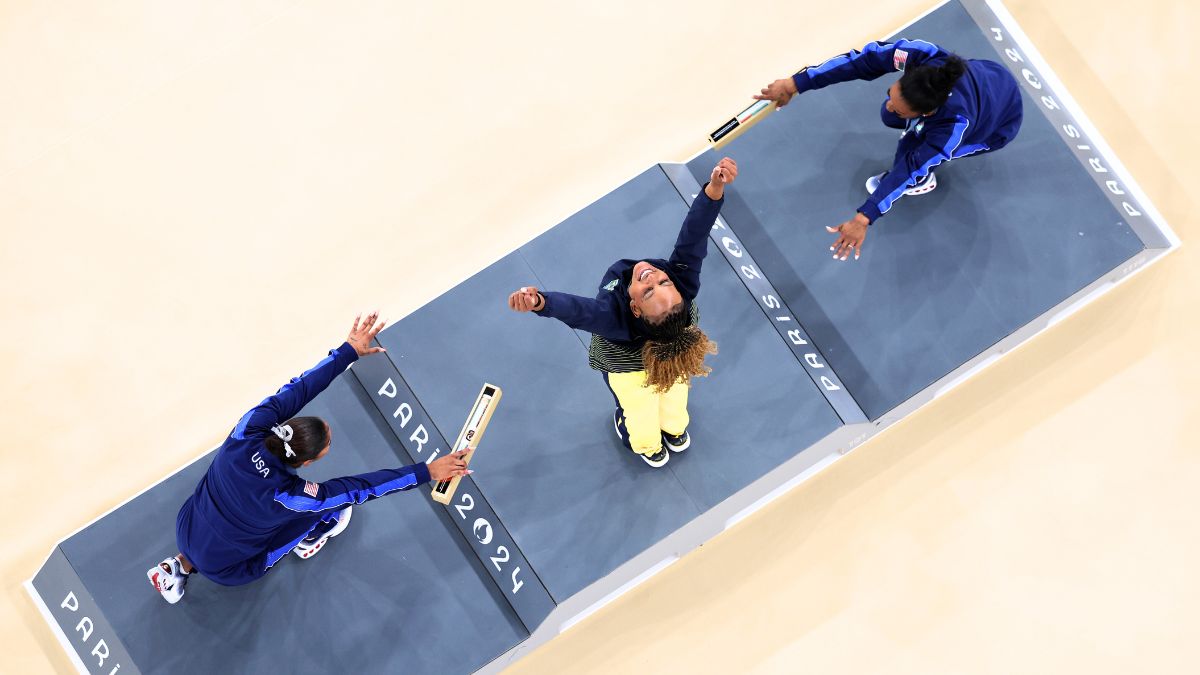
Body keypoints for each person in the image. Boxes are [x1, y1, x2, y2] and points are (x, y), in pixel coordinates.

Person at [147, 313, 470, 603]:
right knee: (329, 509)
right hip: (229, 570)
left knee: (224, 511)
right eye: (327, 444)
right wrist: (426, 471)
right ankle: (315, 534)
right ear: (306, 463)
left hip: (187, 529)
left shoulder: (246, 432)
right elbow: (357, 489)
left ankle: (179, 565)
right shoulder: (290, 497)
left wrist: (348, 351)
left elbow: (297, 389)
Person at [507, 158, 737, 468]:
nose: (651, 275)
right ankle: (676, 432)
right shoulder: (683, 283)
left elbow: (579, 311)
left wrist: (540, 302)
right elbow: (693, 237)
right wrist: (713, 191)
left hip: (630, 373)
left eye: (651, 289)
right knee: (676, 389)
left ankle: (648, 447)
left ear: (635, 308)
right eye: (662, 281)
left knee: (637, 410)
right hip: (674, 360)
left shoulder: (612, 317)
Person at [755, 39, 1024, 261]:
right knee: (890, 118)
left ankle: (925, 180)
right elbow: (860, 62)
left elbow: (908, 169)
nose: (890, 104)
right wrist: (795, 84)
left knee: (912, 158)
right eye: (892, 95)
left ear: (927, 112)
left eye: (901, 107)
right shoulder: (918, 55)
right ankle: (911, 127)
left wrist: (864, 217)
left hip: (996, 125)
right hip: (991, 74)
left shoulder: (953, 127)